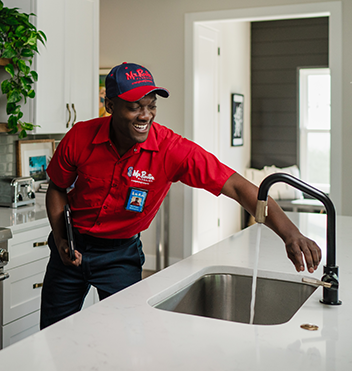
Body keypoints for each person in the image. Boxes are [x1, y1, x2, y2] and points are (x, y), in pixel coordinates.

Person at [40, 62, 322, 329]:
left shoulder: (171, 149)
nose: (145, 115)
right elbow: (57, 188)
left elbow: (237, 186)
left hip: (120, 255)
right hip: (70, 247)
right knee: (52, 332)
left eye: (151, 106)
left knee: (123, 334)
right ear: (110, 106)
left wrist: (289, 233)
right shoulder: (80, 136)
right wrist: (62, 236)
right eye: (134, 107)